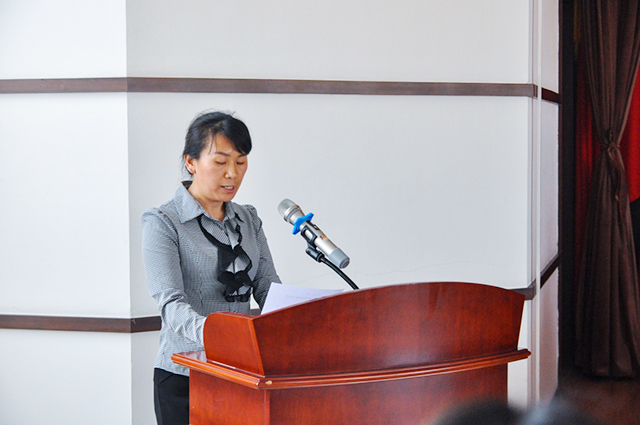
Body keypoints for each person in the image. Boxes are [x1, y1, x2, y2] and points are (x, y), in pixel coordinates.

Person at [142, 111, 280, 425]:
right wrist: (220, 337)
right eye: (220, 162)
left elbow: (267, 284)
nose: (232, 173)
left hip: (243, 374)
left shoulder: (248, 219)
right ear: (191, 162)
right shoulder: (163, 222)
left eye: (241, 162)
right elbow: (171, 304)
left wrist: (298, 321)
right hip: (185, 378)